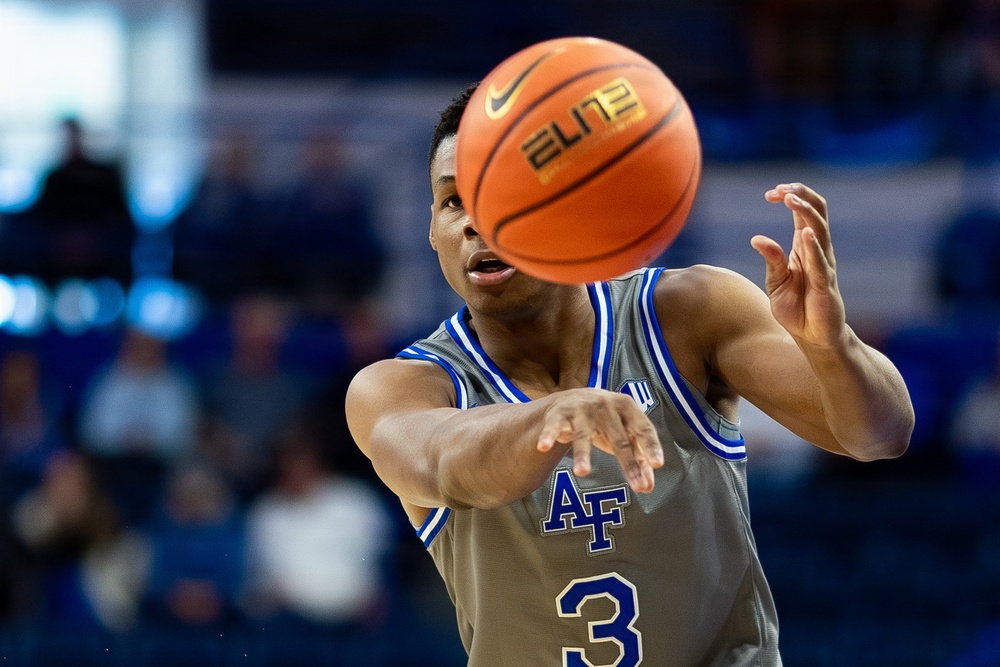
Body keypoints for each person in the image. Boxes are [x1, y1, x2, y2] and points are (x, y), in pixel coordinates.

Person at [345, 83, 915, 666]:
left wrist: (832, 346)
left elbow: (878, 436)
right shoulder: (398, 387)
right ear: (431, 231)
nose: (471, 223)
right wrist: (548, 416)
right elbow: (437, 463)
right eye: (451, 202)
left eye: (499, 196)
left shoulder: (687, 311)